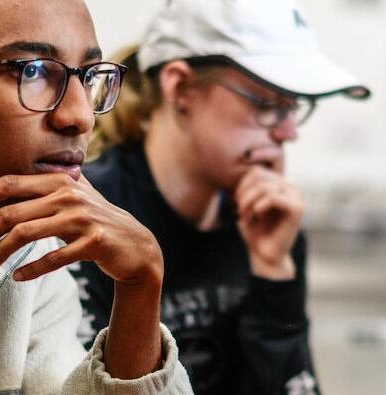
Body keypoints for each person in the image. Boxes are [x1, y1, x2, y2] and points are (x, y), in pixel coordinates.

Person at [72, 0, 370, 394]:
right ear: (179, 87)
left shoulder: (270, 221)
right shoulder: (89, 212)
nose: (287, 133)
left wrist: (273, 269)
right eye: (266, 104)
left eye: (292, 108)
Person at [0, 1, 194, 394]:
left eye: (89, 76)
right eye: (32, 70)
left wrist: (140, 289)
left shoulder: (34, 253)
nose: (81, 116)